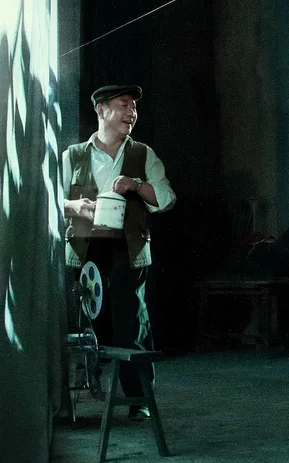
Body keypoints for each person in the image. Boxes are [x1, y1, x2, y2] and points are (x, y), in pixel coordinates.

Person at [62, 85, 176, 419]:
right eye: (124, 105)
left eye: (134, 107)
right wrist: (75, 207)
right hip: (86, 247)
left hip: (129, 247)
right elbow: (51, 199)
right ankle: (85, 385)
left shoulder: (143, 154)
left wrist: (136, 185)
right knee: (90, 317)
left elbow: (166, 198)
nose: (132, 113)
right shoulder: (73, 156)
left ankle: (139, 399)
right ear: (102, 110)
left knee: (132, 320)